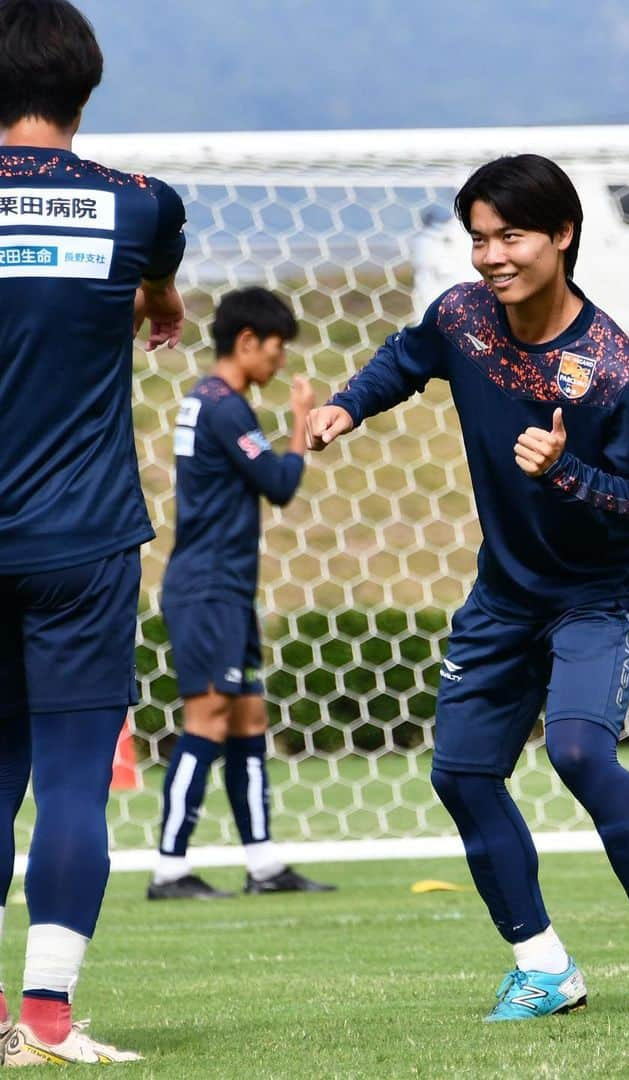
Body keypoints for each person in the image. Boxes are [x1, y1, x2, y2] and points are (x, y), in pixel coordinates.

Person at [309, 155, 629, 1021]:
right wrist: (347, 406)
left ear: (562, 235)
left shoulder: (609, 367)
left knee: (576, 753)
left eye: (512, 237)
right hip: (505, 595)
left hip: (597, 596)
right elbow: (407, 356)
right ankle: (543, 967)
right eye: (479, 238)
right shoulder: (463, 318)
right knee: (461, 774)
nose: (492, 256)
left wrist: (567, 473)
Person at [0, 0, 186, 1063]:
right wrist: (156, 303)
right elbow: (159, 278)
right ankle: (51, 1021)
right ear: (86, 83)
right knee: (75, 774)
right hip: (82, 539)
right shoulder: (140, 206)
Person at [148, 288, 335, 901]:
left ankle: (262, 865)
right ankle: (169, 869)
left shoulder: (206, 402)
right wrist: (301, 426)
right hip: (208, 589)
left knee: (249, 715)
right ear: (248, 340)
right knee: (207, 718)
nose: (282, 362)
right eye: (278, 347)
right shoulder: (225, 407)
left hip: (223, 587)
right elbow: (279, 484)